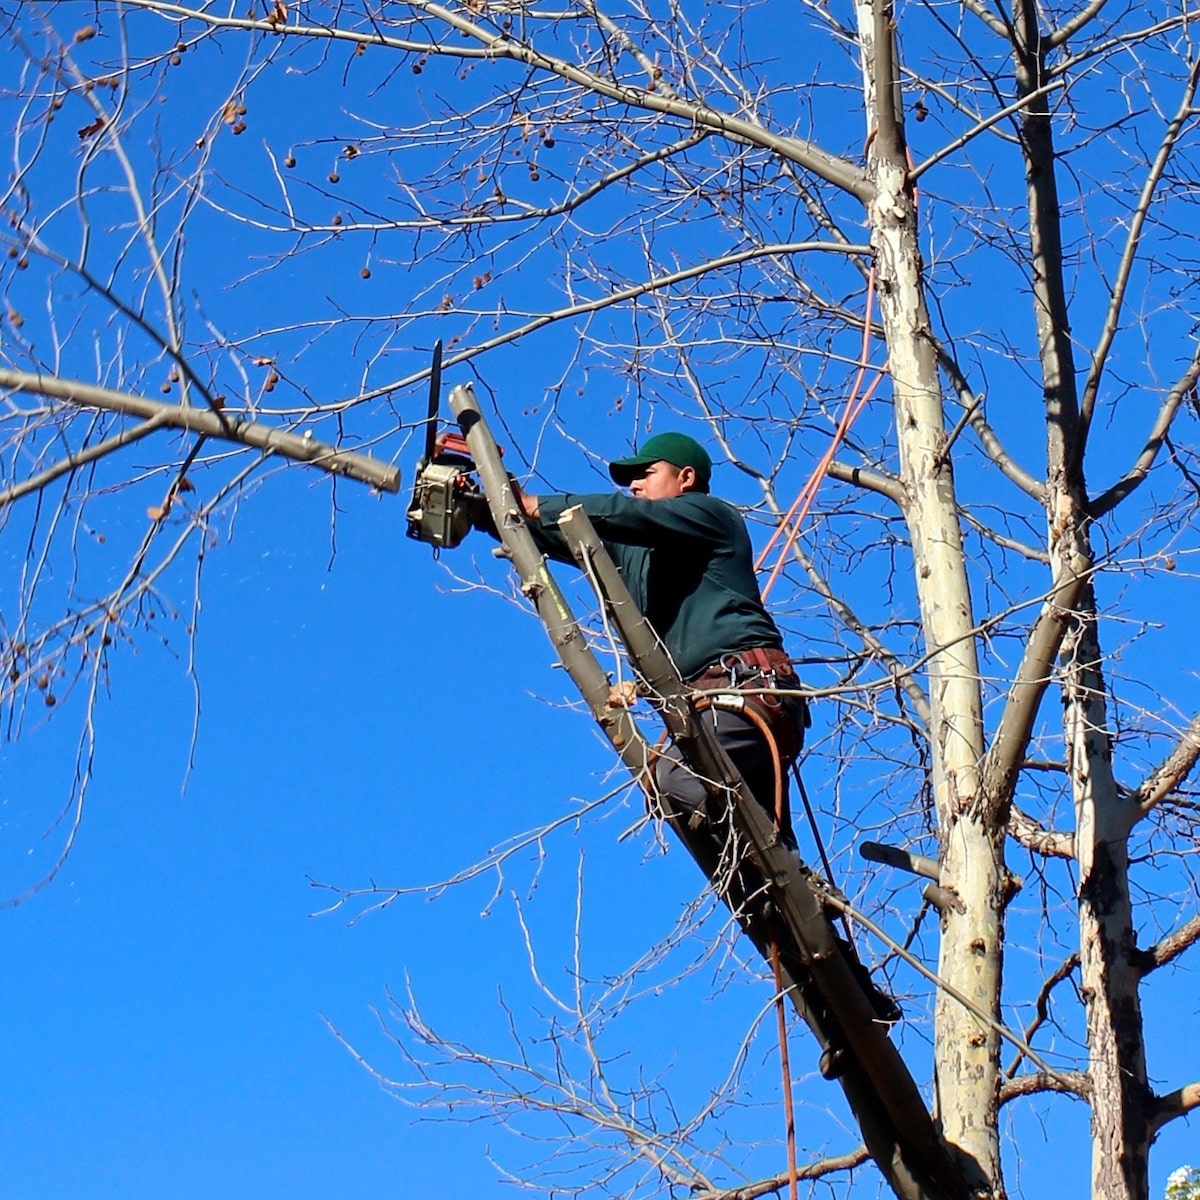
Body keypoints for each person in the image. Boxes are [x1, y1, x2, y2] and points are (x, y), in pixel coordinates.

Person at [504, 431, 809, 836]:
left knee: (674, 781)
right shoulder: (635, 550)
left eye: (646, 474)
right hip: (710, 708)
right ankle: (778, 871)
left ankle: (762, 856)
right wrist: (491, 506)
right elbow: (555, 532)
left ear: (685, 477)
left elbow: (625, 515)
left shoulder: (710, 515)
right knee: (753, 852)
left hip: (747, 690)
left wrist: (536, 503)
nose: (633, 486)